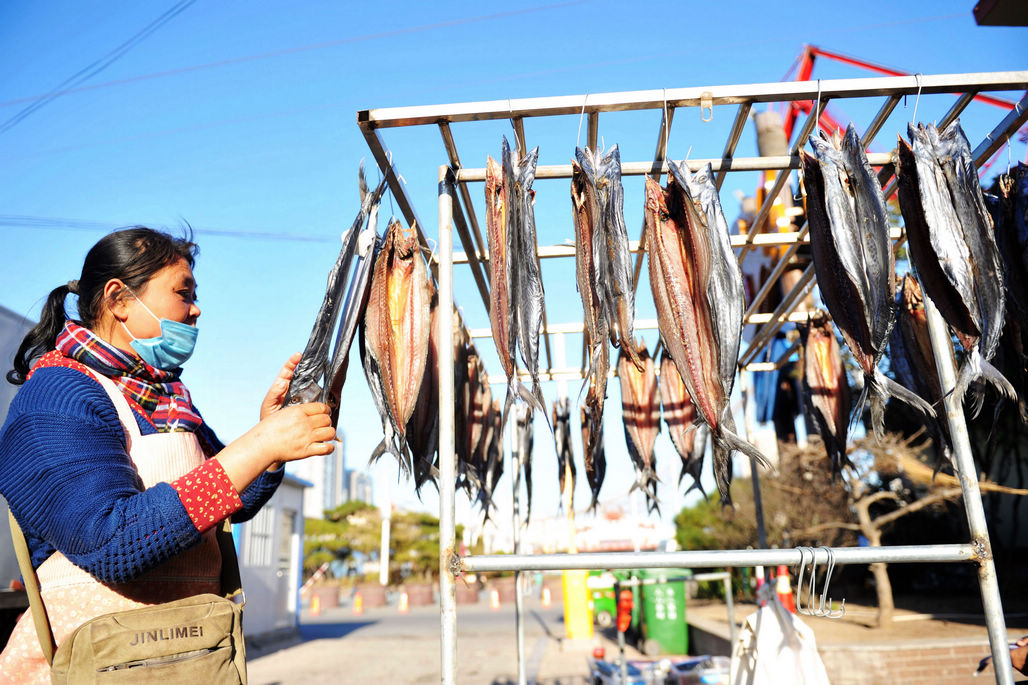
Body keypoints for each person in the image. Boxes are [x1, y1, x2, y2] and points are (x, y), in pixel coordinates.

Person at [0, 227, 335, 682]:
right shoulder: (57, 395)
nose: (196, 310)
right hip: (100, 665)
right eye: (183, 293)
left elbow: (231, 500)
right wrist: (261, 444)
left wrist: (268, 446)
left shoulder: (165, 397)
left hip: (188, 658)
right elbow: (110, 541)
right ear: (119, 299)